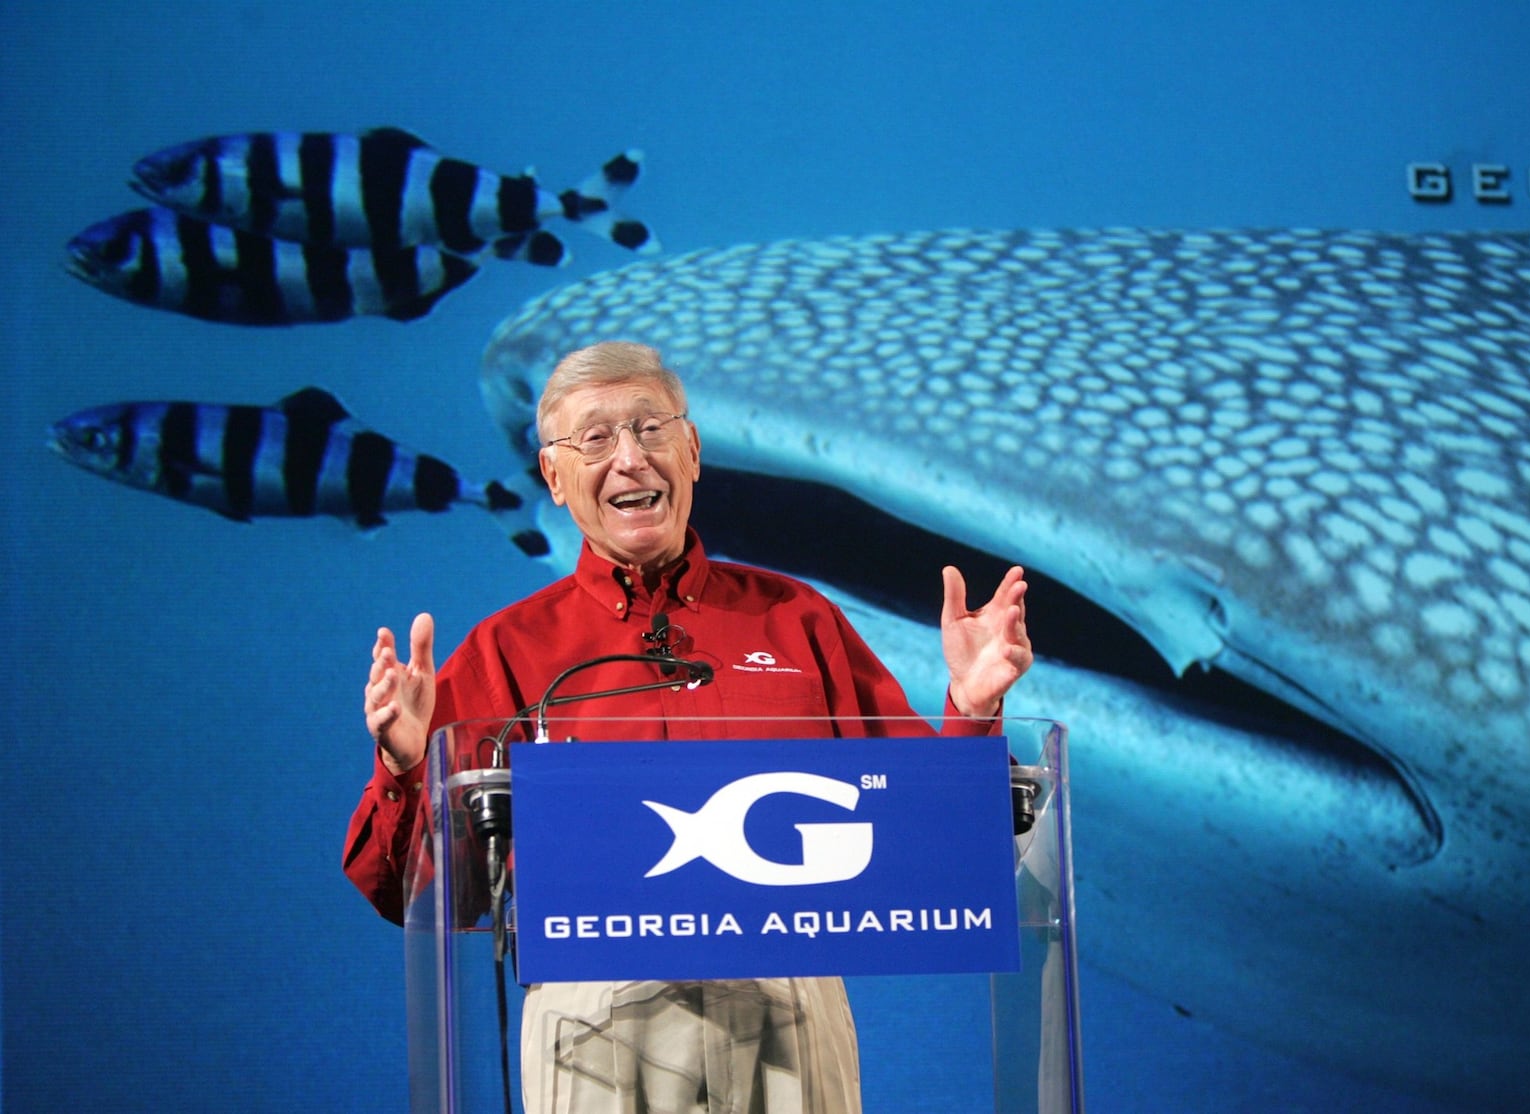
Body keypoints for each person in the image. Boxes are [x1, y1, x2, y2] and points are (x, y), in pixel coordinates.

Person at [345, 340, 1032, 1114]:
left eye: (652, 429)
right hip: (593, 1015)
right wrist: (407, 767)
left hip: (789, 1004)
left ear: (694, 451)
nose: (632, 459)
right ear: (555, 478)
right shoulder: (506, 650)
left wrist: (972, 712)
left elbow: (932, 838)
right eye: (596, 439)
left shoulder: (798, 619)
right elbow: (401, 890)